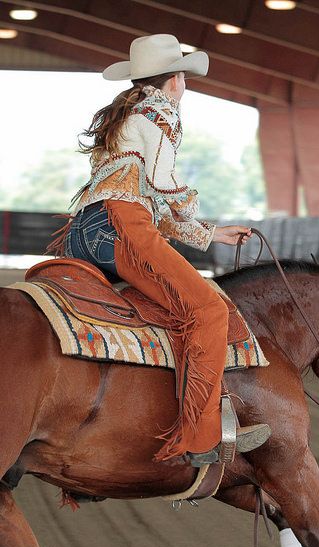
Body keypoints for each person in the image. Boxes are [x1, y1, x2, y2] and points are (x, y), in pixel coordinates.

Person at [48, 34, 270, 466]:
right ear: (174, 80)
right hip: (124, 230)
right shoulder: (160, 111)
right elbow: (164, 184)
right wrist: (191, 206)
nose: (185, 85)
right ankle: (201, 436)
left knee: (160, 308)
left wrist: (208, 235)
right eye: (184, 77)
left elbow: (137, 194)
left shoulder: (128, 114)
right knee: (209, 311)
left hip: (86, 232)